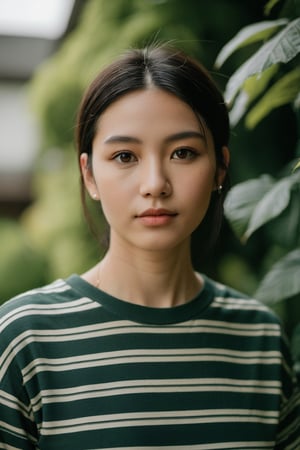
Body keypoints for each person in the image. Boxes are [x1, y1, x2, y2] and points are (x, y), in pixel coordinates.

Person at [0, 45, 299, 450]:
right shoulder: (23, 339)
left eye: (183, 153)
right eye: (125, 156)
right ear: (89, 175)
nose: (155, 183)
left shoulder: (261, 340)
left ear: (220, 169)